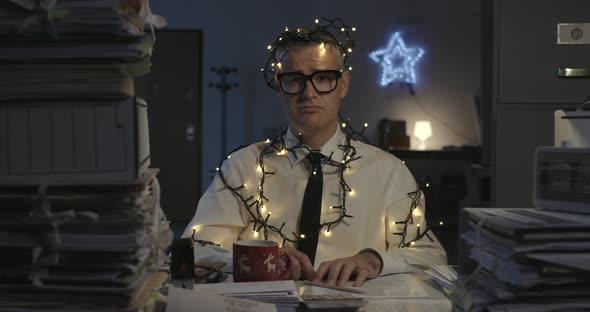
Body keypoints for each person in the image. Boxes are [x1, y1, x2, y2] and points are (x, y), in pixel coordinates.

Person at [182, 17, 446, 287]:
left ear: (343, 84)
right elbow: (193, 250)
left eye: (322, 78)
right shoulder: (243, 167)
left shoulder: (388, 171)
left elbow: (431, 255)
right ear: (278, 85)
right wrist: (260, 258)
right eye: (295, 79)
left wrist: (374, 260)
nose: (309, 93)